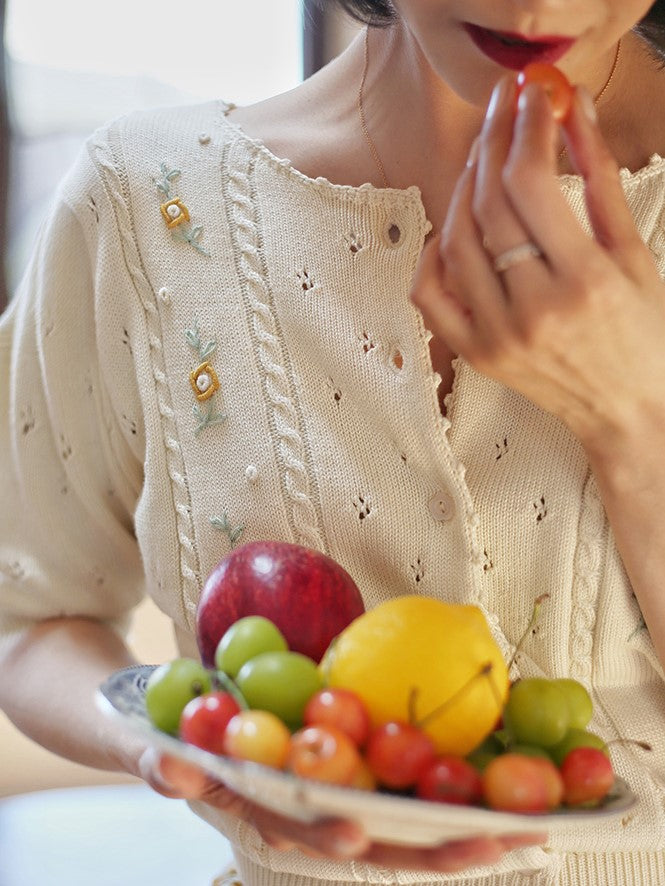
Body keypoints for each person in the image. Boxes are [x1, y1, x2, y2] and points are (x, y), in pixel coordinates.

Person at [1, 0, 665, 882]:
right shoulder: (150, 202)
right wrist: (169, 753)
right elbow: (27, 615)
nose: (530, 3)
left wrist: (633, 417)